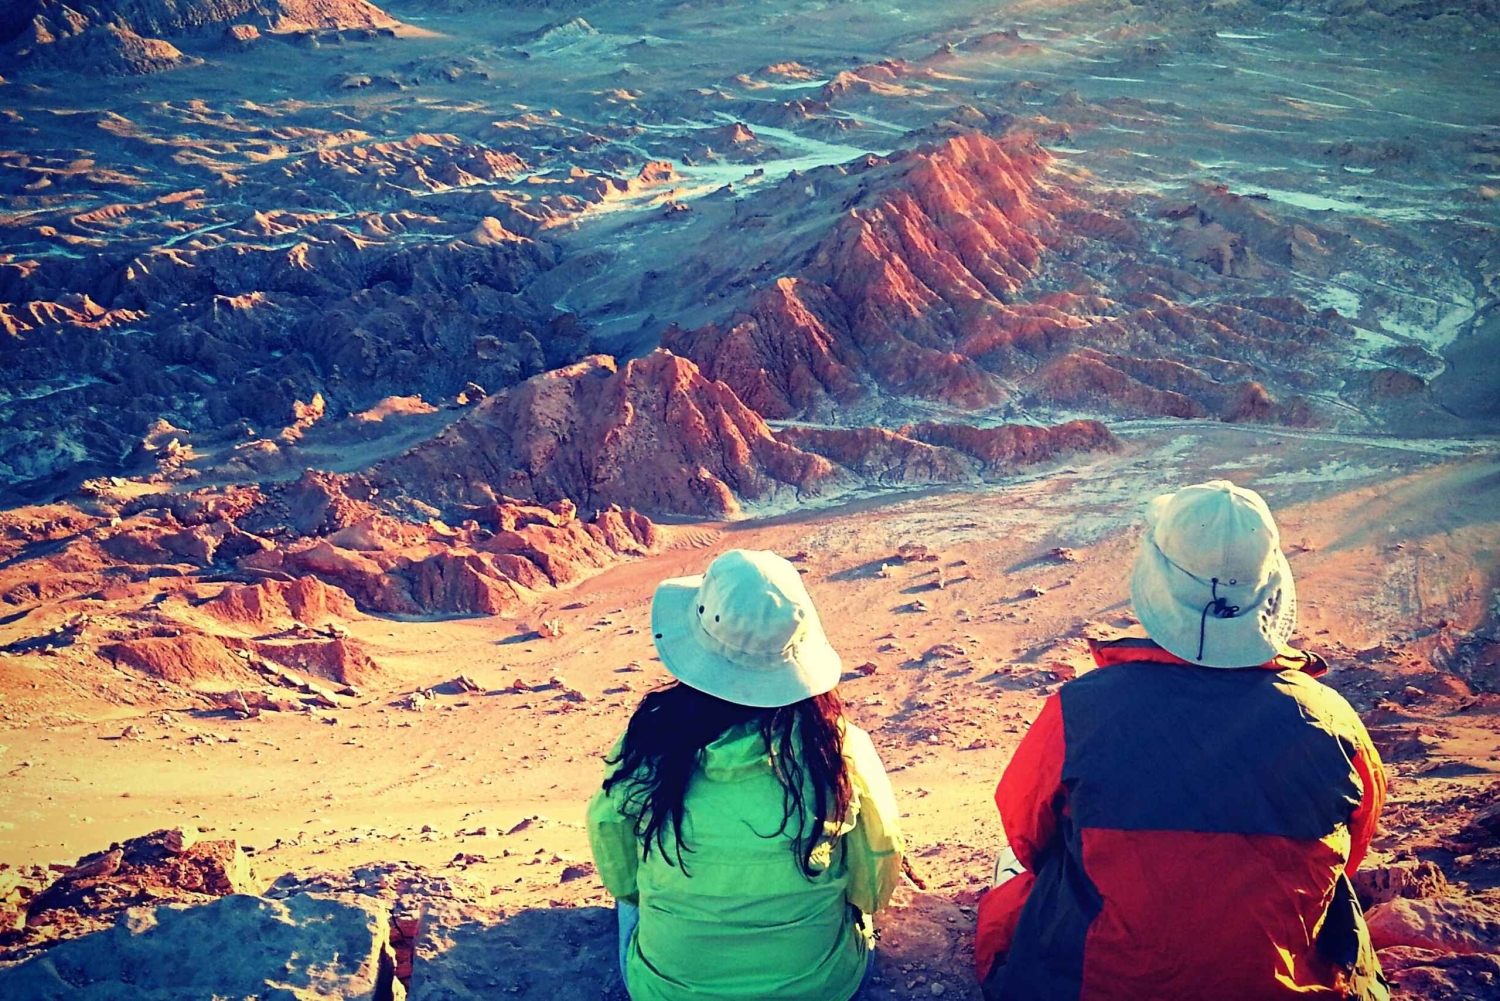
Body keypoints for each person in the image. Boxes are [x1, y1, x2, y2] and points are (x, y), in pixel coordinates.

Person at [974, 481, 1389, 1001]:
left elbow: (1029, 838)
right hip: (1275, 986)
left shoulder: (1078, 709)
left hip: (1095, 985)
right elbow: (1350, 850)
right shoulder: (1334, 721)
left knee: (1020, 892)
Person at [587, 549, 904, 1001]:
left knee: (628, 908)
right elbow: (876, 871)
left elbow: (617, 867)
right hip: (819, 987)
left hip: (668, 990)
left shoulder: (648, 746)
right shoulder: (838, 750)